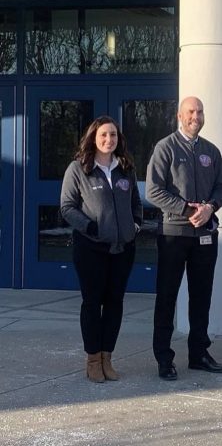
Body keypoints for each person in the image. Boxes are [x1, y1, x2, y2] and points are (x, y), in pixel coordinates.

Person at [146, 96, 222, 381]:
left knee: (201, 296)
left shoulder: (210, 151)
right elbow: (153, 191)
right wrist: (184, 208)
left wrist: (209, 208)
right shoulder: (165, 148)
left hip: (204, 235)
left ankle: (198, 354)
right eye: (191, 112)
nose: (196, 116)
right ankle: (164, 358)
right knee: (167, 296)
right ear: (180, 116)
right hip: (173, 234)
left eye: (200, 111)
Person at [60, 116, 142, 383]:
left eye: (114, 135)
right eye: (104, 135)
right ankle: (93, 359)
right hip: (91, 248)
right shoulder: (79, 169)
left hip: (123, 249)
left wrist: (136, 225)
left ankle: (108, 357)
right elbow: (67, 207)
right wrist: (89, 227)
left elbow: (135, 203)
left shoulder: (126, 168)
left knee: (115, 304)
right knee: (93, 304)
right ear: (93, 138)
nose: (109, 140)